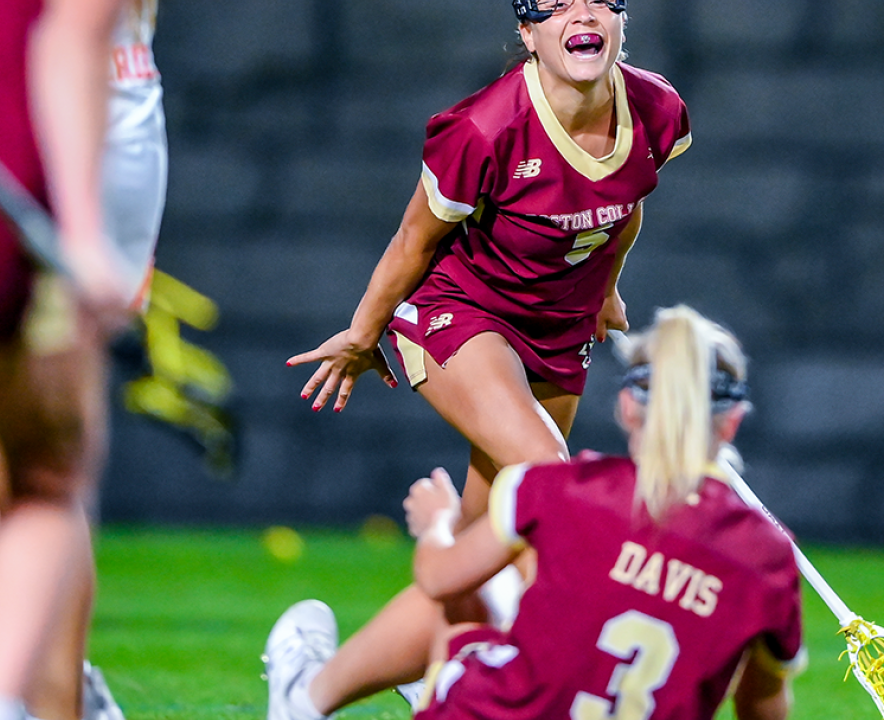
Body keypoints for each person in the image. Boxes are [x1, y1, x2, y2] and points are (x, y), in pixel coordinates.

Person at [275, 0, 690, 712]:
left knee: (478, 547)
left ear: (622, 21)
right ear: (528, 32)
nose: (580, 12)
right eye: (556, 3)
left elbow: (629, 196)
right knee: (550, 485)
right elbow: (413, 241)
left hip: (560, 328)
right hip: (460, 310)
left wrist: (608, 288)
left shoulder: (658, 109)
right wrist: (361, 331)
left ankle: (319, 685)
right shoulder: (486, 126)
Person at [274, 305, 806, 720]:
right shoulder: (768, 555)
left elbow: (438, 578)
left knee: (469, 597)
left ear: (626, 407)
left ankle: (306, 698)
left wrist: (437, 522)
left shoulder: (561, 488)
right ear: (733, 421)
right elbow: (762, 706)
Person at [0, 2, 165, 718]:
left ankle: (56, 697)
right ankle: (49, 673)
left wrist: (80, 230)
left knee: (40, 452)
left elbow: (76, 29)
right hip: (34, 100)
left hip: (74, 110)